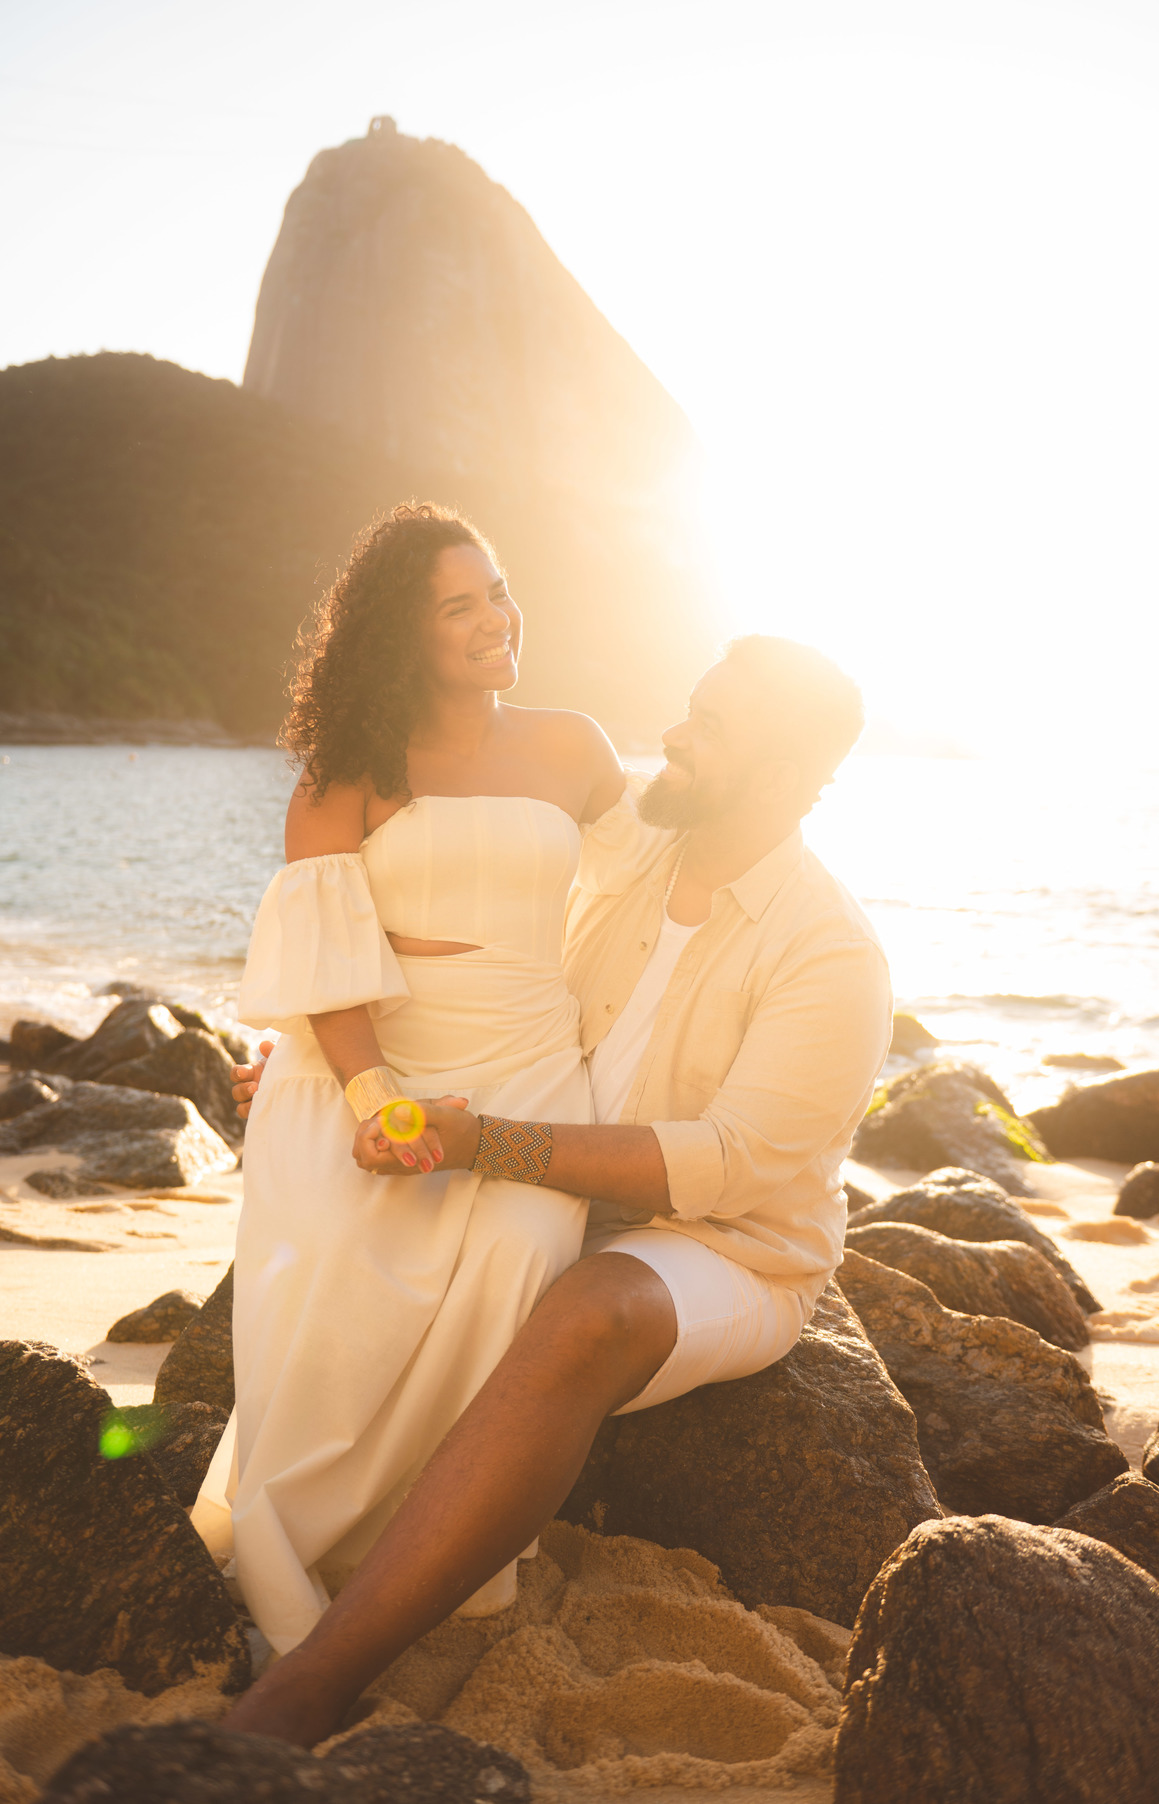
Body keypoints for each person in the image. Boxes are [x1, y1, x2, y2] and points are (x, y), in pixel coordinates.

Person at [221, 628, 893, 1745]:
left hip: (725, 1247)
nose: (671, 735)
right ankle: (307, 1535)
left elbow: (717, 1165)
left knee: (586, 1311)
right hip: (559, 1190)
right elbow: (462, 957)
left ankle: (317, 1678)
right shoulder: (626, 854)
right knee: (357, 1208)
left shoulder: (832, 954)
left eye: (709, 729)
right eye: (690, 706)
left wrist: (482, 1143)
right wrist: (310, 1065)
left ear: (782, 778)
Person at [192, 499, 631, 1649]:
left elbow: (651, 900)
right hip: (368, 1065)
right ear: (404, 634)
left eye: (496, 588)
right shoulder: (350, 774)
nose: (495, 617)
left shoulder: (574, 745)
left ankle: (441, 1553)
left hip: (533, 1062)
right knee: (344, 1271)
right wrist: (369, 1096)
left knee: (521, 1256)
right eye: (459, 605)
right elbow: (328, 964)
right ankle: (315, 1556)